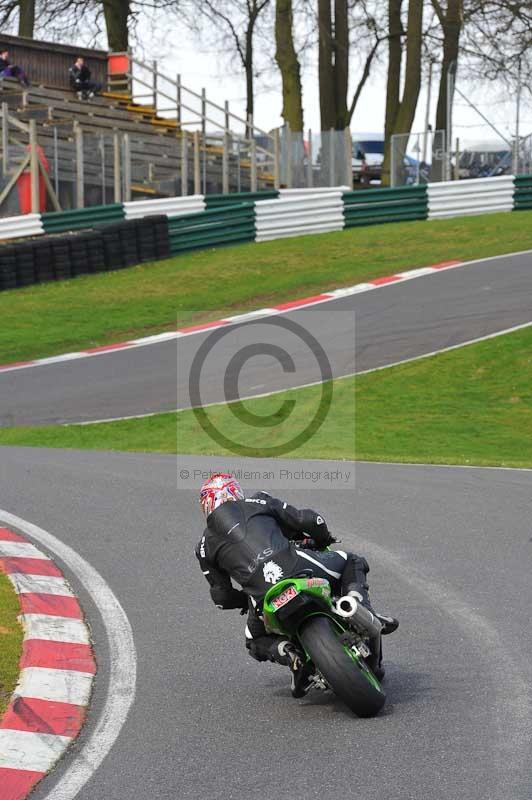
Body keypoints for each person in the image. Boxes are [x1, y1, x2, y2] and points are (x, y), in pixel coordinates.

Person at [195, 473, 398, 698]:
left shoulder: (203, 547)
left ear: (206, 505)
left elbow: (221, 597)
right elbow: (310, 520)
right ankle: (360, 605)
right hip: (294, 565)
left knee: (254, 640)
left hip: (262, 593)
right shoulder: (258, 501)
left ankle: (288, 653)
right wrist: (323, 539)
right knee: (352, 560)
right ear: (236, 493)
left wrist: (244, 599)